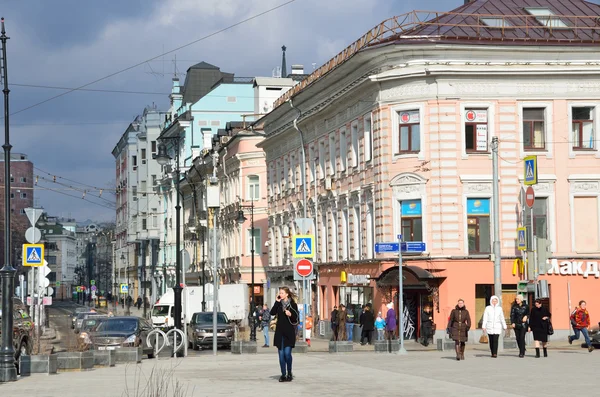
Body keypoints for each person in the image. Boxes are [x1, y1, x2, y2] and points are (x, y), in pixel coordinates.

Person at [270, 287, 299, 382]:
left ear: (287, 294)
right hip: (279, 333)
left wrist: (290, 314)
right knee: (281, 355)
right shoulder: (278, 305)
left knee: (287, 354)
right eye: (280, 293)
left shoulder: (293, 305)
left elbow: (296, 318)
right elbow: (272, 312)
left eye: (282, 293)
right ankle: (283, 374)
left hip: (289, 333)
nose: (280, 294)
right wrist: (276, 302)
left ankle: (289, 372)